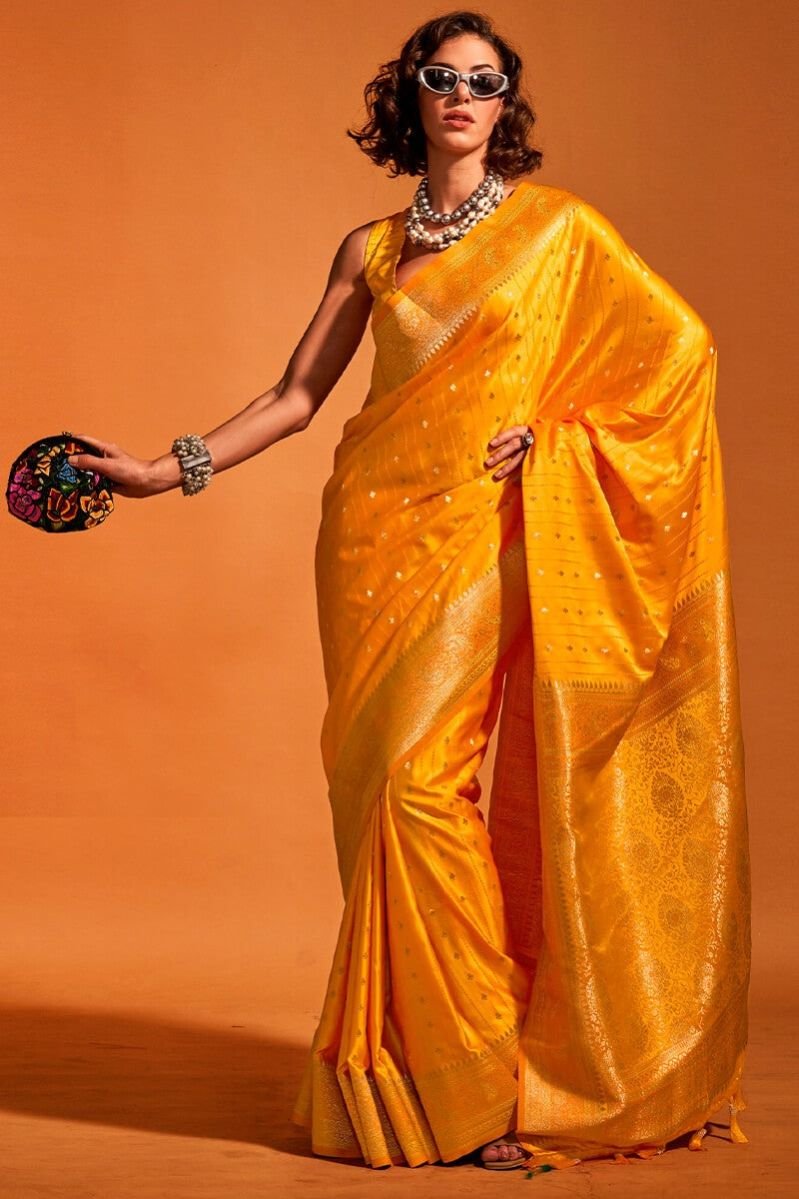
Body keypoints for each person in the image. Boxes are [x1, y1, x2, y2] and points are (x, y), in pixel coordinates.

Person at [66, 9, 751, 1174]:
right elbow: (295, 397)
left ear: (507, 100)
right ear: (412, 96)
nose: (463, 96)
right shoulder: (371, 248)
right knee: (376, 790)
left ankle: (486, 1088)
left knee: (417, 789)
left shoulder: (560, 232)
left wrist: (558, 430)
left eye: (486, 80)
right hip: (371, 535)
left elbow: (679, 354)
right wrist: (160, 470)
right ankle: (435, 1074)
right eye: (443, 76)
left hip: (483, 531)